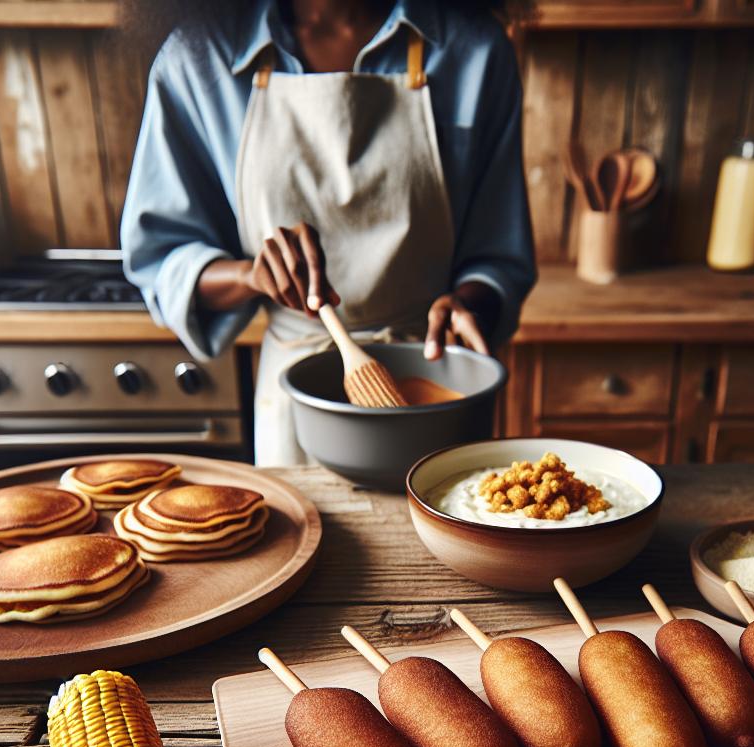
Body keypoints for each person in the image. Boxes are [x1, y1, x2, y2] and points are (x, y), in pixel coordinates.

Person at [122, 0, 536, 465]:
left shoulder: (473, 50)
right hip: (296, 399)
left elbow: (498, 250)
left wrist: (472, 300)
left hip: (439, 391)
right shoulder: (200, 58)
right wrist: (251, 276)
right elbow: (162, 260)